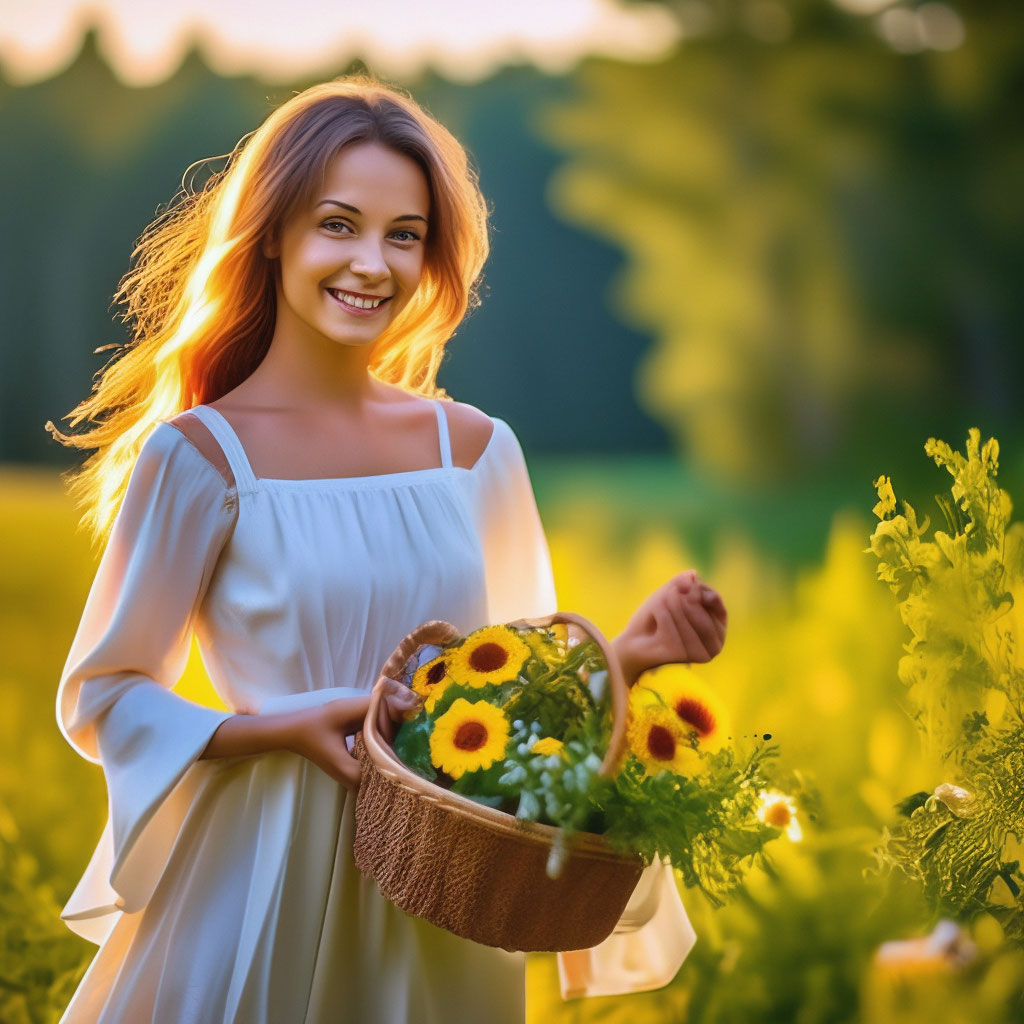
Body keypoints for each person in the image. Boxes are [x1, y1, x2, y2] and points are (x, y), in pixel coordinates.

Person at [49, 74, 728, 1023]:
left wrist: (633, 655)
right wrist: (281, 726)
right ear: (273, 231)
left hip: (443, 894)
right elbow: (104, 694)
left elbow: (509, 708)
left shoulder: (476, 453)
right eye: (339, 224)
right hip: (262, 879)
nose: (372, 263)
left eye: (403, 236)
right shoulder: (201, 456)